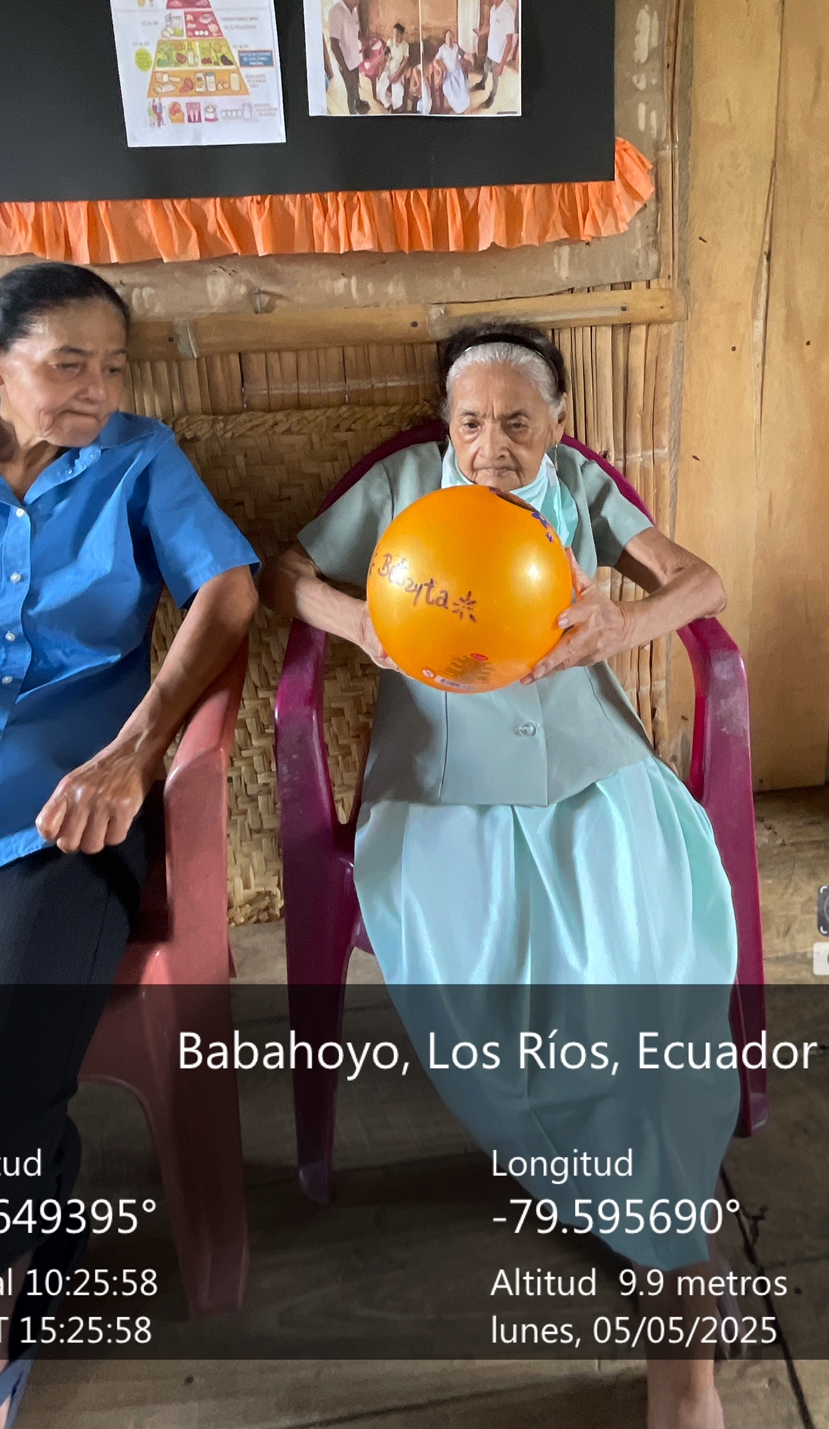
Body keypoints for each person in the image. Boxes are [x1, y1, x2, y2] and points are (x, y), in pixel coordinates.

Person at [263, 323, 737, 1429]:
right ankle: (625, 1201)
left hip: (596, 776)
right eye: (471, 422)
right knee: (508, 1003)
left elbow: (703, 582)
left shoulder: (580, 491)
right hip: (442, 794)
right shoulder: (400, 491)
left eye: (517, 423)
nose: (491, 447)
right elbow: (282, 576)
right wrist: (362, 624)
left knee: (644, 994)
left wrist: (625, 620)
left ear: (556, 425)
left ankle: (680, 1330)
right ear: (447, 424)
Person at [0, 263, 259, 1429]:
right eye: (67, 365)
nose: (98, 389)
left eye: (113, 366)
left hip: (50, 831)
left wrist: (133, 754)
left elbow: (229, 592)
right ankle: (33, 1173)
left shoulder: (140, 463)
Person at [326, 0, 367, 115]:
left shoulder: (353, 11)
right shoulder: (336, 12)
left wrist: (361, 38)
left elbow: (355, 31)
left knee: (356, 86)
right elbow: (334, 45)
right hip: (345, 64)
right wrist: (345, 70)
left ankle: (358, 103)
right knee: (351, 91)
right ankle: (352, 114)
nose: (358, 0)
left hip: (354, 59)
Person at [480, 0, 517, 108]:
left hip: (499, 55)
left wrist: (502, 65)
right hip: (490, 50)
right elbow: (491, 27)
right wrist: (481, 32)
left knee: (495, 78)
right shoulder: (493, 9)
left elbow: (509, 42)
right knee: (485, 67)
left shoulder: (507, 13)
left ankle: (492, 96)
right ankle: (482, 83)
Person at [434, 26, 471, 115]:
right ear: (445, 39)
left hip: (457, 72)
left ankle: (466, 110)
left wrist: (470, 58)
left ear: (454, 38)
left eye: (451, 38)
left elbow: (464, 54)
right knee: (451, 91)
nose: (450, 40)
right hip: (448, 75)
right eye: (448, 38)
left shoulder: (456, 46)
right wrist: (440, 69)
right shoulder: (442, 49)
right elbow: (435, 61)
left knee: (462, 90)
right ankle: (459, 109)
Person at [379, 22, 412, 112]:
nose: (395, 36)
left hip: (398, 69)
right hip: (388, 68)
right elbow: (385, 54)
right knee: (380, 89)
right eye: (394, 33)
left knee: (398, 91)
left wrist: (397, 74)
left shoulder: (405, 45)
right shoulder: (390, 42)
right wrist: (385, 59)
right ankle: (387, 103)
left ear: (401, 34)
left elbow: (405, 61)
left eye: (397, 33)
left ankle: (395, 109)